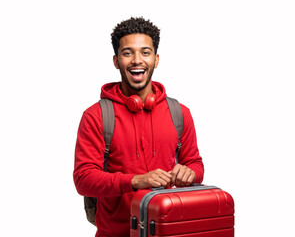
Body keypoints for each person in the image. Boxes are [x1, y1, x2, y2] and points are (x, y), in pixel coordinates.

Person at [73, 17, 204, 237]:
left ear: (156, 59)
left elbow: (195, 164)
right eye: (127, 53)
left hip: (166, 230)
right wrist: (135, 180)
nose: (137, 60)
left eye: (145, 52)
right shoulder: (96, 116)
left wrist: (190, 172)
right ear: (116, 61)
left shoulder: (180, 113)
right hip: (114, 233)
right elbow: (84, 179)